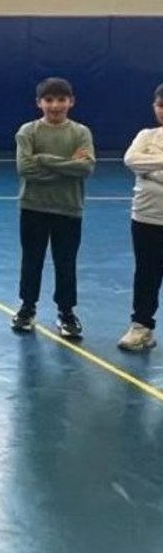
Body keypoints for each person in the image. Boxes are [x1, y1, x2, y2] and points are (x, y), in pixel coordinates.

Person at [13, 77, 94, 338]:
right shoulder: (28, 131)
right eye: (49, 100)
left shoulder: (81, 133)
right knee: (32, 260)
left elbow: (85, 168)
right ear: (39, 103)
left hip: (69, 208)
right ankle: (27, 308)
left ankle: (66, 312)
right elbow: (26, 168)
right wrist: (68, 165)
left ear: (72, 101)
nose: (55, 105)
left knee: (66, 262)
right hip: (33, 207)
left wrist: (44, 159)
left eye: (61, 99)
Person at [119, 83, 163, 352]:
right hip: (146, 218)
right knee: (146, 273)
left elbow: (141, 166)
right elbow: (131, 160)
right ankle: (141, 327)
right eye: (161, 105)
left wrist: (149, 170)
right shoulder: (146, 136)